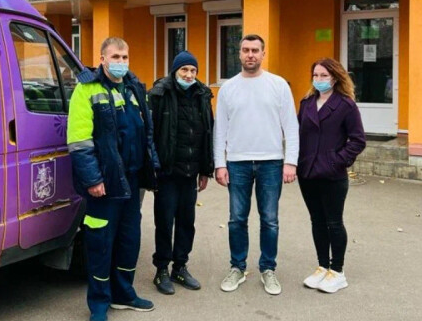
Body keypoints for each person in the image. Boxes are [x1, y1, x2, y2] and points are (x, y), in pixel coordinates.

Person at [67, 37, 160, 321]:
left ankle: (124, 294)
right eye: (116, 56)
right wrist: (93, 179)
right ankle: (98, 303)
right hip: (104, 184)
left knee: (129, 240)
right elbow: (79, 142)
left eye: (125, 55)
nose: (121, 61)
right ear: (102, 59)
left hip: (132, 181)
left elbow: (146, 136)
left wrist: (152, 170)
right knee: (100, 243)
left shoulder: (134, 87)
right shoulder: (86, 90)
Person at [214, 34, 299, 295]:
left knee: (270, 219)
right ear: (239, 54)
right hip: (237, 162)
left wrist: (291, 162)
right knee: (236, 219)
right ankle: (237, 267)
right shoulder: (228, 88)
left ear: (263, 54)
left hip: (271, 162)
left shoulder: (278, 85)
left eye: (255, 50)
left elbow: (291, 126)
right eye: (245, 50)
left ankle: (268, 269)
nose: (250, 55)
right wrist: (220, 163)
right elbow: (220, 129)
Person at [296, 58, 366, 294]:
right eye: (315, 75)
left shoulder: (345, 105)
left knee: (334, 222)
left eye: (323, 76)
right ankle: (322, 266)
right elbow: (299, 135)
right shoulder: (306, 103)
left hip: (332, 175)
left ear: (335, 77)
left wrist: (336, 161)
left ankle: (337, 271)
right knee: (317, 221)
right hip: (307, 172)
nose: (319, 80)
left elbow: (357, 140)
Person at [149, 50, 214, 295]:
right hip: (166, 172)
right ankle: (162, 269)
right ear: (174, 71)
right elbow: (150, 135)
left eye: (193, 70)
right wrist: (153, 168)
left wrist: (205, 169)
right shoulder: (159, 94)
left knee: (187, 222)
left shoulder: (202, 96)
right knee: (164, 222)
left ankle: (180, 266)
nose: (188, 74)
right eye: (184, 70)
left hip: (191, 172)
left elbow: (208, 132)